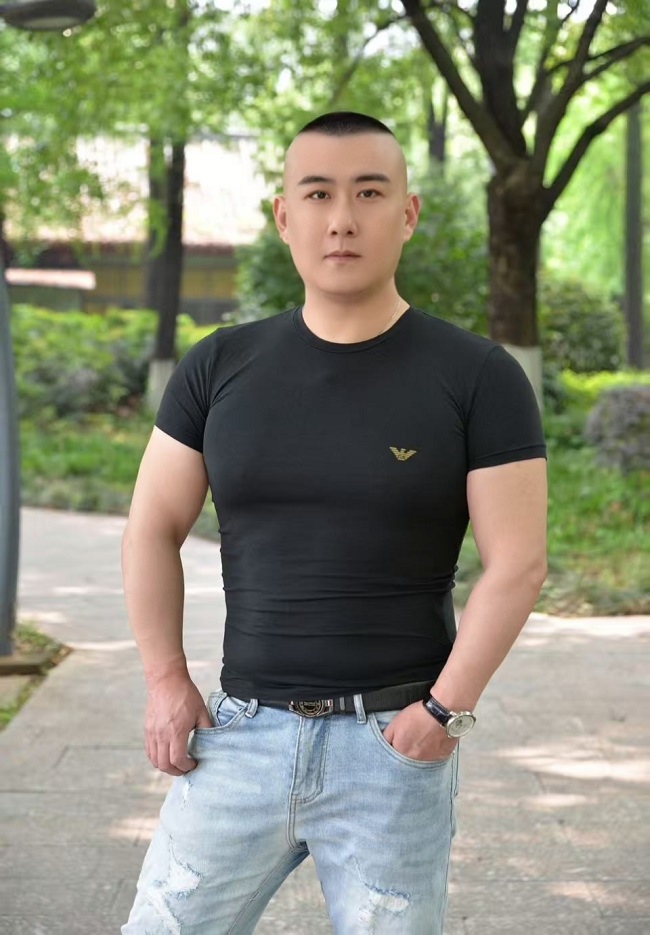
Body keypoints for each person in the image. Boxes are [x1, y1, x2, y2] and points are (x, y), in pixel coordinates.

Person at [121, 111, 547, 935]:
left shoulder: (478, 376)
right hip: (237, 738)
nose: (342, 218)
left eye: (368, 193)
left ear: (407, 213)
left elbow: (518, 562)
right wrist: (165, 679)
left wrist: (443, 713)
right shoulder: (219, 366)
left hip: (391, 746)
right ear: (285, 216)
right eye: (317, 194)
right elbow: (151, 527)